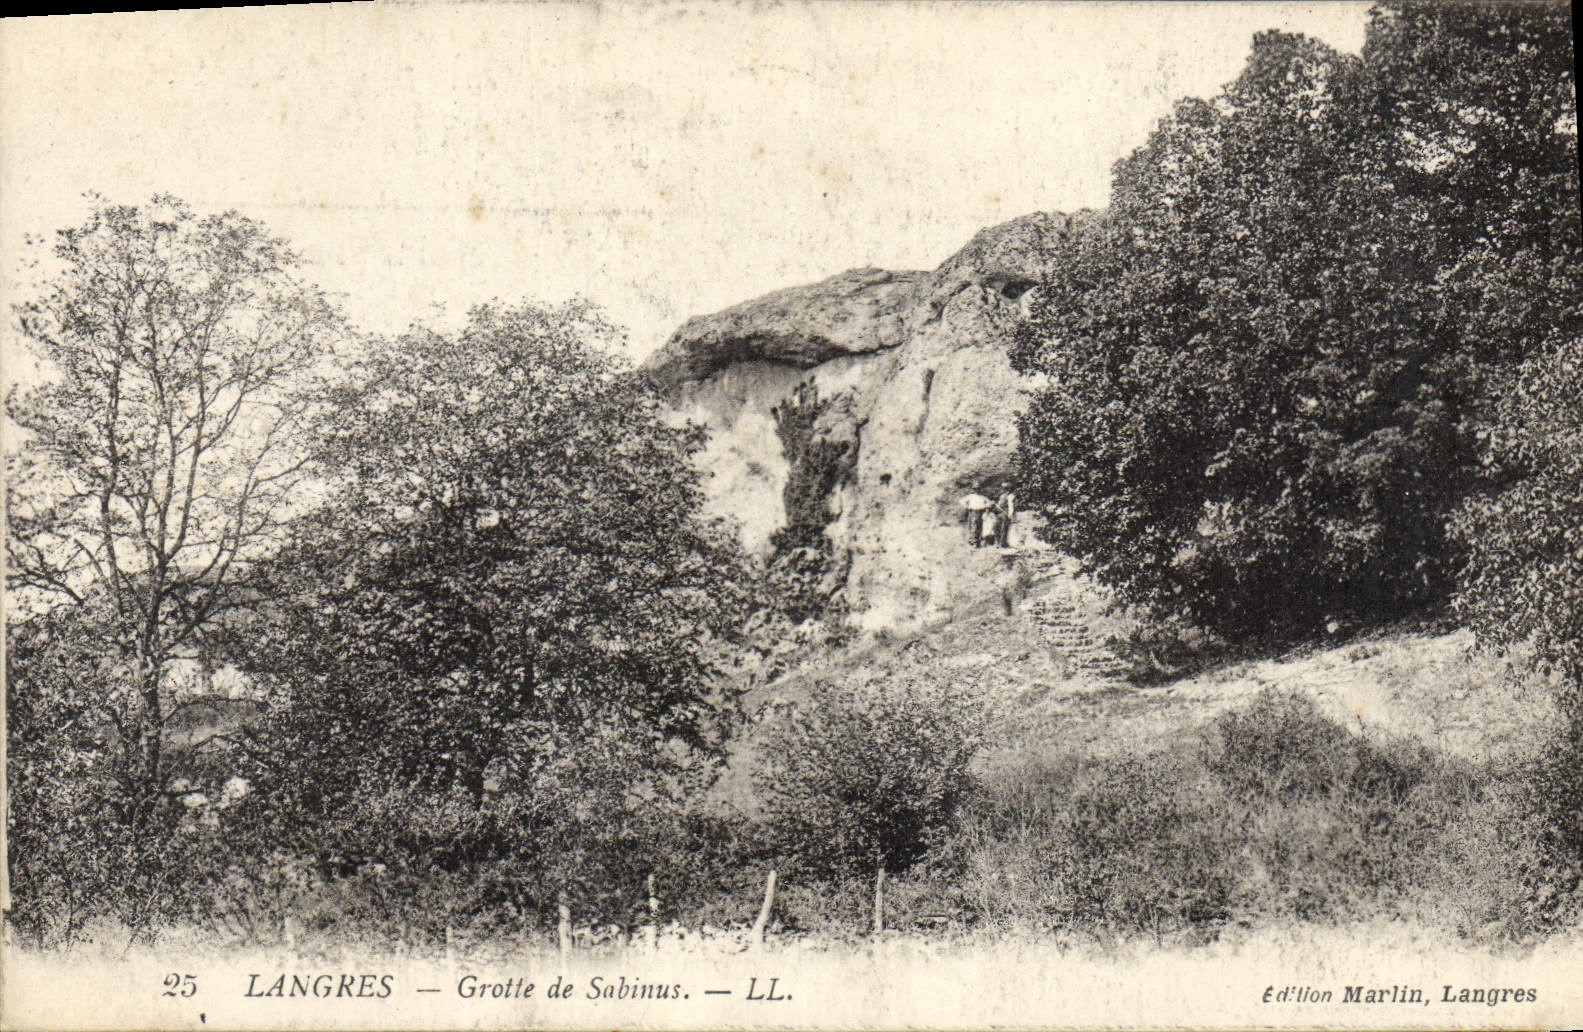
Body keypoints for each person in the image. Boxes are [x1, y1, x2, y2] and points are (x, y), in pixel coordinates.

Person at [995, 484, 1016, 548]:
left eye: (1005, 488)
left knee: (1003, 528)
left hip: (1005, 513)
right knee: (997, 528)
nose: (1003, 489)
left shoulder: (1010, 496)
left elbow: (1011, 506)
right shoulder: (1002, 496)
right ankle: (998, 543)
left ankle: (1002, 543)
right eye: (1003, 488)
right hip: (1000, 513)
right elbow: (999, 504)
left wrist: (1010, 515)